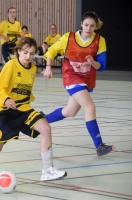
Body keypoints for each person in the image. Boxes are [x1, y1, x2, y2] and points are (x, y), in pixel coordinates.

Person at [0, 37, 67, 186]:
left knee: (46, 128)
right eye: (25, 52)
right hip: (6, 110)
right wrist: (6, 99)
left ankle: (47, 171)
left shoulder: (33, 69)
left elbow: (26, 91)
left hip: (23, 108)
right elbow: (0, 88)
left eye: (32, 53)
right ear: (18, 51)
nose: (28, 56)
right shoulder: (11, 65)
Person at [42, 12, 114, 156]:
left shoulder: (100, 40)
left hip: (86, 79)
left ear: (95, 27)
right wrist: (48, 67)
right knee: (90, 106)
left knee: (70, 111)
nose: (88, 28)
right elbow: (51, 51)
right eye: (86, 25)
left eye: (92, 26)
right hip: (71, 77)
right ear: (81, 24)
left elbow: (102, 66)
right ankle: (99, 145)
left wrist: (93, 62)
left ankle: (41, 121)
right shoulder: (68, 37)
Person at [0, 7, 22, 72]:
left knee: (15, 62)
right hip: (6, 45)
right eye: (11, 12)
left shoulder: (17, 24)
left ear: (16, 14)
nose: (12, 14)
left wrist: (20, 38)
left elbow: (19, 35)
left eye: (14, 12)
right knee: (9, 62)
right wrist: (3, 37)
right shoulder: (3, 23)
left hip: (14, 46)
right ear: (8, 14)